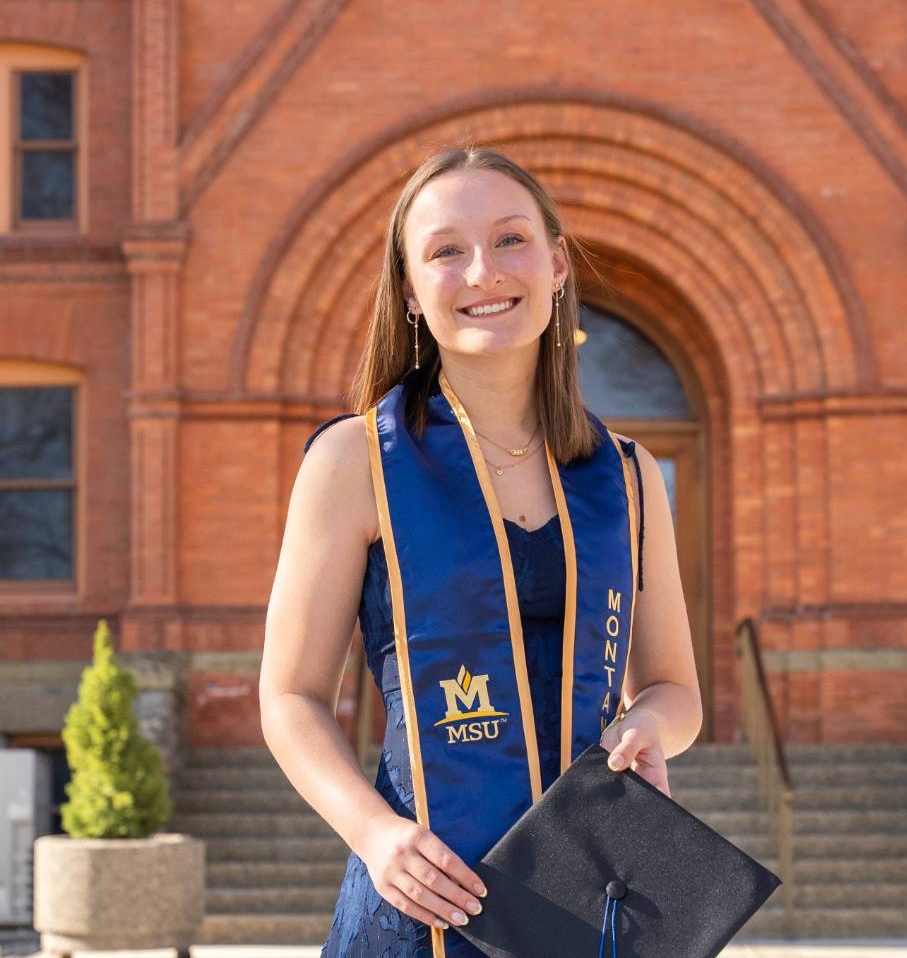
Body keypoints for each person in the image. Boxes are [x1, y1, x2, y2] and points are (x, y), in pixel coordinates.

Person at [258, 145, 702, 958]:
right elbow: (289, 696)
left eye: (510, 240)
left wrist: (644, 727)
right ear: (411, 293)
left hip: (592, 892)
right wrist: (375, 834)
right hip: (421, 895)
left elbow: (675, 690)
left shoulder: (630, 477)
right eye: (446, 251)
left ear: (558, 265)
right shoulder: (355, 464)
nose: (483, 272)